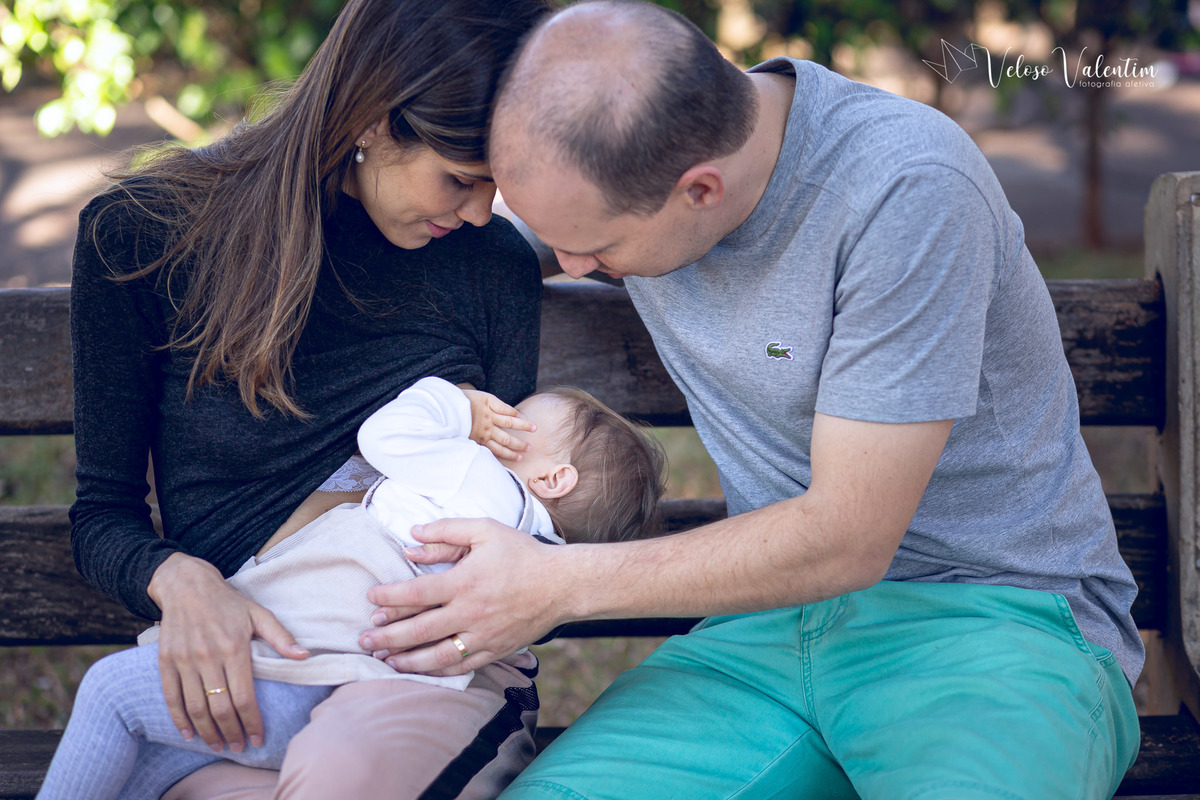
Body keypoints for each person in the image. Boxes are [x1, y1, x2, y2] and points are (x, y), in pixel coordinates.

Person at [358, 2, 1145, 798]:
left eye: (596, 247)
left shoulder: (904, 189)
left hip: (994, 629)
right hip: (766, 633)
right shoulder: (617, 170)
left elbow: (848, 537)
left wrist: (555, 584)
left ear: (700, 188)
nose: (569, 262)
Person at [66, 0, 558, 796]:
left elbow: (498, 513)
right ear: (370, 118)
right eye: (461, 179)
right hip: (254, 670)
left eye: (494, 186)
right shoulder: (145, 237)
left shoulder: (489, 265)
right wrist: (178, 579)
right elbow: (103, 515)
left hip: (418, 671)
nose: (477, 213)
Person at [41, 376, 666, 800]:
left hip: (306, 674)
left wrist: (454, 404)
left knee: (112, 693)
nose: (498, 417)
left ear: (552, 478)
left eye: (515, 421)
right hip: (343, 688)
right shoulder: (533, 546)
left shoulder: (483, 483)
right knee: (152, 767)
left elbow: (385, 437)